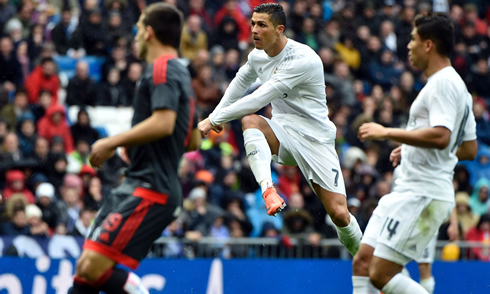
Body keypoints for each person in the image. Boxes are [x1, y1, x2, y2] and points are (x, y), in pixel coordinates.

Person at [197, 3, 362, 256]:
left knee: (339, 213)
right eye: (252, 23)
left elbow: (258, 98)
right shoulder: (256, 56)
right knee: (250, 121)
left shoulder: (303, 60)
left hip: (316, 141)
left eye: (261, 25)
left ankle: (367, 262)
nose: (254, 30)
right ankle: (268, 189)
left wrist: (211, 120)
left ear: (279, 29)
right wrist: (216, 116)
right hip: (283, 133)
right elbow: (239, 84)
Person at [69, 3, 201, 294]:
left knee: (92, 266)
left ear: (149, 32)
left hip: (151, 187)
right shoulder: (181, 75)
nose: (136, 38)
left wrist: (113, 142)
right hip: (139, 181)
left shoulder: (162, 68)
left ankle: (133, 287)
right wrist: (142, 147)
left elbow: (165, 123)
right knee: (86, 270)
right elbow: (192, 141)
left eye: (139, 31)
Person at [351, 14, 478, 294]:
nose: (408, 46)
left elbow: (441, 135)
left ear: (429, 45)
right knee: (362, 262)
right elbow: (469, 148)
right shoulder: (459, 90)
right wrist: (412, 145)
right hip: (408, 190)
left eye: (413, 39)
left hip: (423, 193)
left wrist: (388, 132)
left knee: (381, 274)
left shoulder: (443, 84)